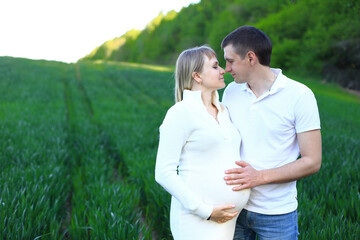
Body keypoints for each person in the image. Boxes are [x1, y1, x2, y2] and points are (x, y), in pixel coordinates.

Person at [221, 26, 322, 240]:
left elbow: (312, 161)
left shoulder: (300, 95)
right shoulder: (230, 92)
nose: (226, 68)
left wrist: (259, 176)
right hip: (233, 206)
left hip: (277, 214)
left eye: (230, 61)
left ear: (250, 58)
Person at [155, 46, 250, 240]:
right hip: (197, 220)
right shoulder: (180, 113)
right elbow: (163, 173)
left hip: (226, 220)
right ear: (197, 76)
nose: (223, 70)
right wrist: (205, 210)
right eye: (215, 66)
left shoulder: (224, 111)